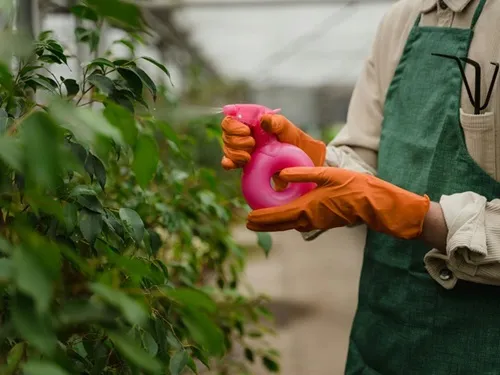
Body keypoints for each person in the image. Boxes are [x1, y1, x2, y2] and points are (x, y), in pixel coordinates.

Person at [220, 0, 500, 373]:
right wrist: (309, 157)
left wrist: (417, 216)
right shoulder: (401, 20)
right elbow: (363, 153)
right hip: (383, 336)